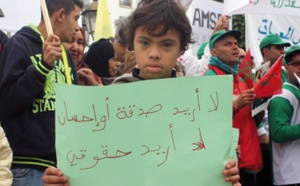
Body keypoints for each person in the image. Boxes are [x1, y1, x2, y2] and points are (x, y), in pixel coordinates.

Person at [42, 0, 240, 185]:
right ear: (132, 44)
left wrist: (225, 171)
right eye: (145, 42)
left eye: (167, 44)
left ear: (181, 49)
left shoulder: (200, 107)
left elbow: (208, 166)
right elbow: (90, 164)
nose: (154, 53)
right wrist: (63, 178)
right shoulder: (107, 106)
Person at [0, 0, 83, 185]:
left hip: (61, 167)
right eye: (76, 18)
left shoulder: (65, 54)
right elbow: (6, 102)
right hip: (28, 167)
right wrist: (42, 67)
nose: (78, 27)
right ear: (60, 15)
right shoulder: (19, 44)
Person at [205, 29, 263, 186]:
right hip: (229, 164)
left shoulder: (240, 79)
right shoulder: (209, 79)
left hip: (249, 159)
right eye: (228, 44)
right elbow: (205, 121)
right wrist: (235, 105)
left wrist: (261, 105)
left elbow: (252, 119)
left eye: (236, 44)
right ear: (214, 51)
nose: (235, 47)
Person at [254, 33, 291, 186]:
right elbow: (254, 107)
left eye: (283, 48)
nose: (283, 51)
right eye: (278, 48)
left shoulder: (286, 73)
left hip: (284, 134)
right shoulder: (258, 74)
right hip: (267, 139)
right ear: (266, 51)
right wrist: (262, 131)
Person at [268, 45, 300, 186]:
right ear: (286, 67)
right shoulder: (283, 95)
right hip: (290, 176)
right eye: (296, 64)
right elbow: (278, 132)